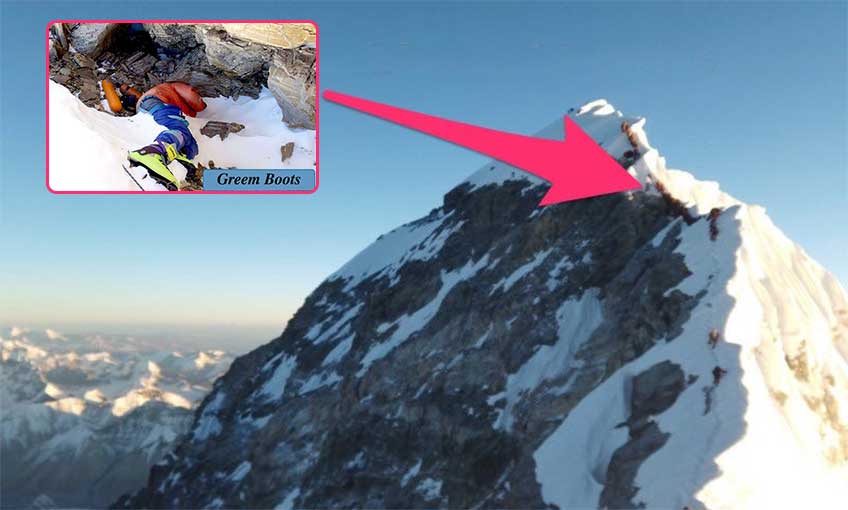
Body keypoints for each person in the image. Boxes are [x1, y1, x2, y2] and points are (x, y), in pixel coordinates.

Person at [128, 82, 207, 191]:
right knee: (180, 132)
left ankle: (177, 159)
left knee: (187, 141)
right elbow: (191, 95)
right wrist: (202, 104)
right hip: (154, 102)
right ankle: (153, 152)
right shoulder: (171, 86)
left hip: (148, 107)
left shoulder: (161, 93)